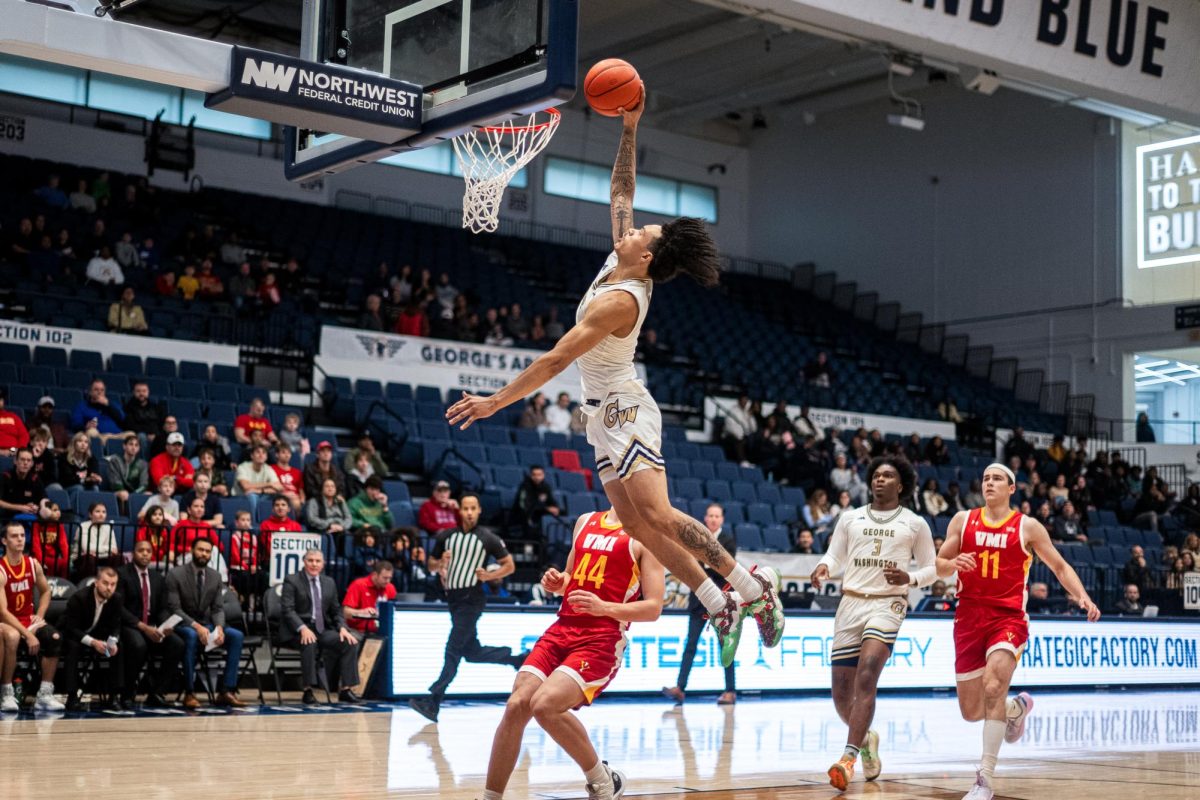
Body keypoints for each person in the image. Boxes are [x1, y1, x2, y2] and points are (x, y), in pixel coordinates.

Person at [444, 90, 780, 668]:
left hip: (624, 405)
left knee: (659, 515)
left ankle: (751, 588)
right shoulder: (620, 259)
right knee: (633, 522)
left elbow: (554, 360)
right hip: (599, 412)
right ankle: (712, 601)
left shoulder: (623, 299)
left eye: (639, 235)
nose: (628, 231)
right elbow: (622, 191)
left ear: (645, 258)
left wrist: (496, 401)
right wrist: (631, 126)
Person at [936, 463, 1100, 800]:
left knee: (994, 685)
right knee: (971, 711)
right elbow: (939, 563)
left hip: (1007, 618)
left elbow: (1059, 565)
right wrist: (953, 565)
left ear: (1012, 488)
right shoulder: (962, 520)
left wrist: (1082, 596)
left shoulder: (1027, 526)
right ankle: (1017, 710)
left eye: (997, 478)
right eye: (985, 478)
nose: (990, 483)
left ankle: (984, 779)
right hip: (968, 617)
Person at [483, 506, 665, 800]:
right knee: (517, 704)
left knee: (544, 705)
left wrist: (604, 607)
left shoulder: (647, 535)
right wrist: (559, 583)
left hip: (602, 638)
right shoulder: (586, 521)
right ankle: (491, 797)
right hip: (563, 627)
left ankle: (601, 780)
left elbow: (654, 607)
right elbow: (572, 577)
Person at [810, 456, 937, 790]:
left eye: (888, 475)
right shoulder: (849, 518)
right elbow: (835, 554)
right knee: (841, 694)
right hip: (850, 601)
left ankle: (847, 759)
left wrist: (909, 577)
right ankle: (866, 740)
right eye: (877, 475)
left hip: (888, 603)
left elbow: (932, 568)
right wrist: (825, 567)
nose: (880, 479)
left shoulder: (914, 523)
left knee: (867, 673)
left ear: (902, 484)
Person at [408, 494, 528, 722]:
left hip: (471, 599)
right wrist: (440, 562)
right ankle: (517, 659)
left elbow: (510, 566)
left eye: (473, 508)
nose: (470, 512)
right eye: (466, 508)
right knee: (472, 652)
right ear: (460, 511)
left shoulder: (487, 538)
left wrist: (490, 575)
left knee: (452, 648)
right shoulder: (446, 536)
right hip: (453, 600)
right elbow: (431, 565)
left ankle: (433, 701)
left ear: (479, 510)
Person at [662, 503, 737, 706]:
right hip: (699, 600)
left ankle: (730, 691)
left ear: (721, 519)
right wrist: (705, 563)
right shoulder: (695, 539)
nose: (713, 519)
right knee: (690, 645)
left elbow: (722, 568)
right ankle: (680, 687)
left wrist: (702, 563)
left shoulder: (729, 541)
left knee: (725, 647)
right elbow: (690, 564)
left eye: (717, 516)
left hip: (721, 601)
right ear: (705, 518)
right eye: (710, 515)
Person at [165, 537, 245, 709]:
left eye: (207, 551)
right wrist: (197, 626)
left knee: (236, 636)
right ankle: (189, 692)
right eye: (200, 550)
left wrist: (219, 627)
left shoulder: (215, 576)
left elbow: (217, 609)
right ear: (192, 551)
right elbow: (175, 609)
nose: (204, 554)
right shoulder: (175, 574)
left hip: (207, 624)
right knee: (193, 636)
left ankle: (226, 691)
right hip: (182, 624)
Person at [281, 549, 362, 704]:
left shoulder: (329, 582)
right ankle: (308, 690)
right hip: (297, 629)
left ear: (323, 564)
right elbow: (288, 610)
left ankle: (346, 689)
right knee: (309, 642)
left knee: (349, 642)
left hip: (321, 628)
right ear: (304, 562)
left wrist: (342, 628)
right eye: (310, 560)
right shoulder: (292, 580)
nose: (314, 564)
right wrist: (302, 628)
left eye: (318, 561)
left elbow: (336, 610)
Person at [0, 521, 65, 711]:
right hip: (6, 621)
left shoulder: (32, 563)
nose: (20, 539)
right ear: (4, 540)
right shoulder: (2, 570)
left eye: (22, 535)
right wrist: (28, 635)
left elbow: (46, 592)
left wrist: (39, 615)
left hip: (27, 619)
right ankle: (6, 692)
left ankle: (44, 694)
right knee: (12, 638)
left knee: (55, 637)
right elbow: (3, 611)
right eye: (14, 536)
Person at [117, 540, 184, 707]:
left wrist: (166, 626)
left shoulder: (157, 578)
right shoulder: (122, 574)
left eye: (148, 551)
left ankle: (157, 692)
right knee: (139, 645)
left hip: (152, 625)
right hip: (130, 625)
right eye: (141, 550)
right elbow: (119, 608)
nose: (145, 554)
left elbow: (161, 608)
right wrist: (142, 626)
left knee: (177, 644)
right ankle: (127, 691)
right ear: (133, 554)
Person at [59, 566, 129, 711]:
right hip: (74, 635)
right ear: (96, 582)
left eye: (113, 584)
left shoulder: (116, 599)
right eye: (105, 583)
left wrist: (113, 641)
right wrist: (93, 642)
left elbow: (116, 625)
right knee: (73, 647)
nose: (109, 588)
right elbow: (71, 628)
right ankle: (72, 697)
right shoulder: (79, 598)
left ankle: (114, 696)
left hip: (97, 635)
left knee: (118, 647)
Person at [343, 560, 397, 635]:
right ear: (375, 574)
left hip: (382, 631)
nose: (388, 581)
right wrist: (361, 612)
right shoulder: (359, 585)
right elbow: (346, 612)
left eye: (390, 578)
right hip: (358, 631)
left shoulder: (390, 588)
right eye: (385, 578)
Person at [70, 501, 120, 579]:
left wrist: (101, 550)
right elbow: (87, 548)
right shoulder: (83, 526)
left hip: (102, 556)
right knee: (90, 558)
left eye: (104, 512)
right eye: (97, 511)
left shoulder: (108, 527)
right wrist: (107, 548)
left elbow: (114, 548)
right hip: (82, 558)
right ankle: (89, 583)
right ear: (90, 514)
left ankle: (113, 582)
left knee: (118, 557)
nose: (101, 515)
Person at [512, 465, 561, 538]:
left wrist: (555, 508)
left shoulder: (545, 487)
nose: (537, 477)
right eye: (534, 475)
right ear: (531, 475)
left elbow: (552, 501)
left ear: (543, 475)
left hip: (539, 516)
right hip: (523, 517)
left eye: (539, 475)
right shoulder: (525, 486)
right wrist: (546, 509)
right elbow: (524, 505)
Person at [234, 443, 282, 512]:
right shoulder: (243, 467)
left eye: (264, 453)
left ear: (266, 457)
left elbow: (279, 487)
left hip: (262, 495)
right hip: (242, 496)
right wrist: (269, 484)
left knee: (280, 496)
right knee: (252, 496)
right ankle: (254, 521)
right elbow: (246, 486)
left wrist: (260, 491)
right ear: (252, 456)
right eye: (258, 452)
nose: (261, 455)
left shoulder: (268, 468)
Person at [0, 448, 43, 521]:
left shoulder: (35, 479)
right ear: (15, 461)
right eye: (22, 459)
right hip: (7, 519)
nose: (25, 463)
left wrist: (37, 507)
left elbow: (43, 498)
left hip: (29, 518)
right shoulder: (5, 477)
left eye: (28, 460)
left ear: (32, 464)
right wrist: (21, 507)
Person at [0, 388, 30, 454]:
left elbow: (24, 435)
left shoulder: (13, 417)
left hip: (13, 451)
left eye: (0, 399)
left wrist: (16, 450)